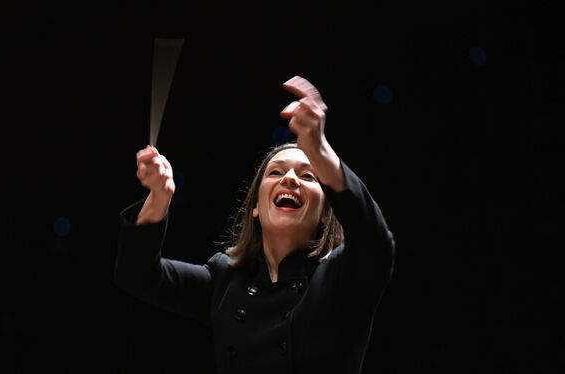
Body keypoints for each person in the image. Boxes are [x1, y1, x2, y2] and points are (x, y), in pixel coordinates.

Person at [115, 76, 395, 373]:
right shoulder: (225, 280)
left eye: (309, 175)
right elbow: (138, 274)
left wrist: (320, 150)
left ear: (326, 213)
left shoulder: (342, 276)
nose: (290, 179)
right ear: (257, 208)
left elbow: (374, 239)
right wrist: (160, 196)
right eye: (275, 172)